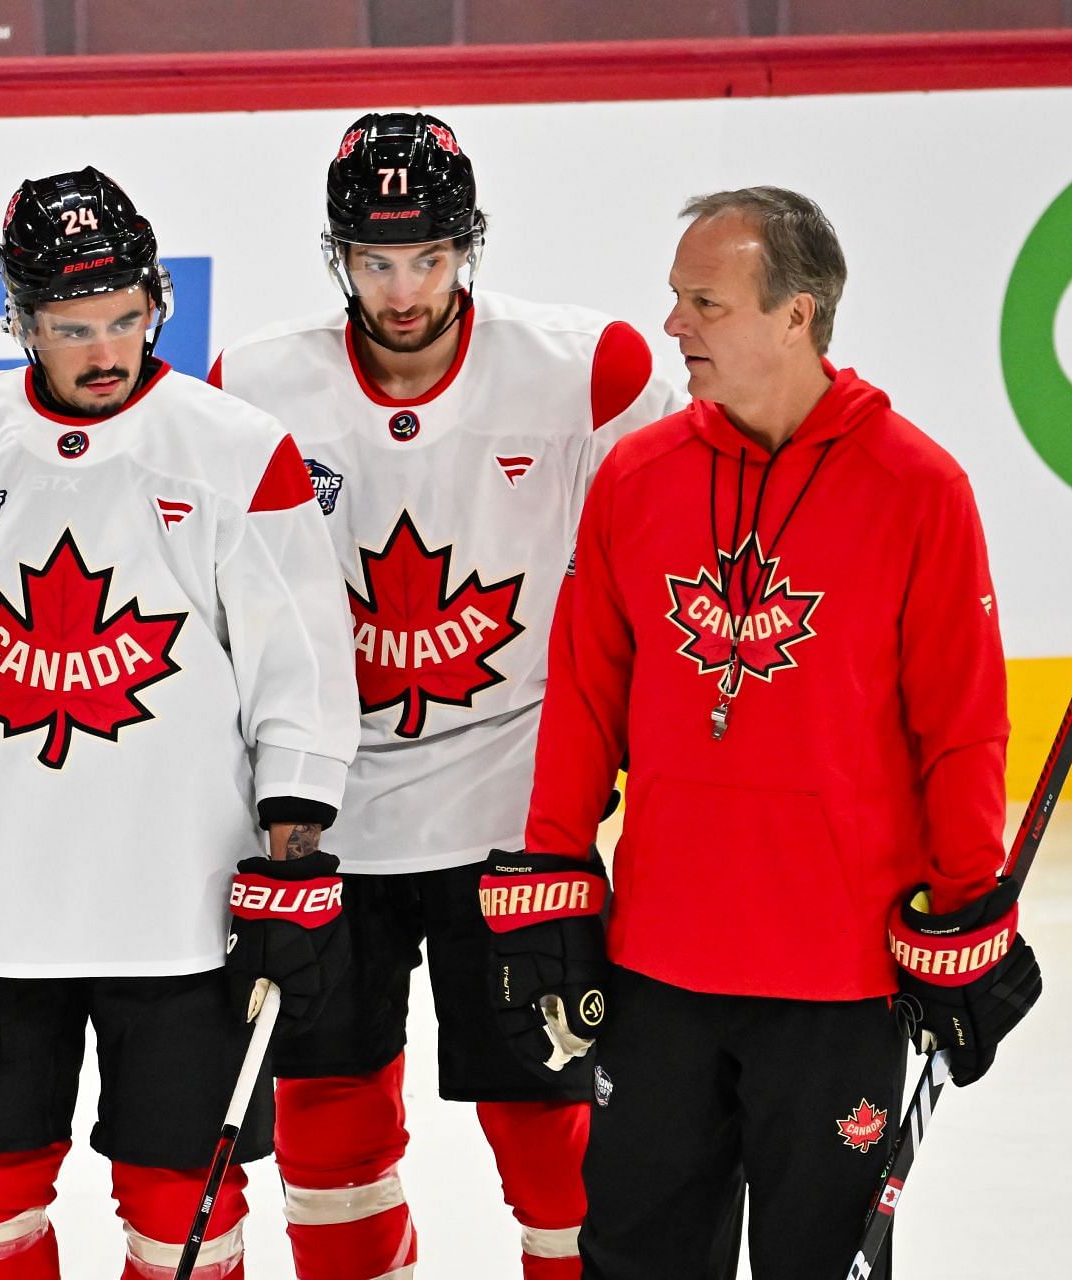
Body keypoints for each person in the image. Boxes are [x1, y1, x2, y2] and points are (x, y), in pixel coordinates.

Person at [0, 167, 358, 1280]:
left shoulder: (237, 449)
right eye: (71, 326)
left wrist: (292, 862)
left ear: (155, 300)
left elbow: (299, 678)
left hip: (187, 918)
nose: (105, 350)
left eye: (124, 318)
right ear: (19, 318)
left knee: (179, 1207)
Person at [504, 186, 1042, 1279]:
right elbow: (583, 697)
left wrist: (968, 900)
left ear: (798, 313)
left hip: (839, 976)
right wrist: (556, 870)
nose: (674, 326)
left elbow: (962, 726)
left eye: (705, 301)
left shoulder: (918, 488)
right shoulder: (637, 477)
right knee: (638, 1255)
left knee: (820, 1259)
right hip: (659, 964)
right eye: (675, 297)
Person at [208, 112, 684, 1280]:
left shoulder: (593, 370)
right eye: (376, 260)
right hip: (328, 813)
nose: (405, 288)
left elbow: (661, 570)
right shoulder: (255, 385)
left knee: (547, 1127)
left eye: (427, 257)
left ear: (468, 245)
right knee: (328, 1125)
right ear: (339, 256)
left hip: (513, 814)